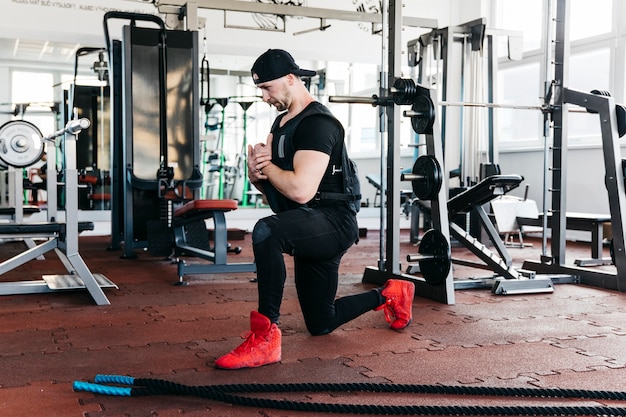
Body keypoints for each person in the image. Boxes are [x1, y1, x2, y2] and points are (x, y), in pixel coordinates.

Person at [214, 49, 415, 370]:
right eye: (260, 89)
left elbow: (300, 189)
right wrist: (258, 178)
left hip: (333, 224)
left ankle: (265, 339)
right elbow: (281, 197)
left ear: (291, 80)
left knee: (266, 230)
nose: (264, 96)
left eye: (268, 87)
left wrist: (269, 171)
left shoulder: (319, 124)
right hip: (310, 224)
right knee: (322, 322)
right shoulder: (280, 125)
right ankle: (391, 293)